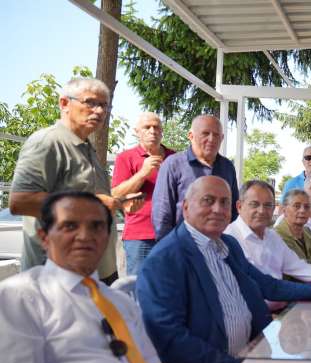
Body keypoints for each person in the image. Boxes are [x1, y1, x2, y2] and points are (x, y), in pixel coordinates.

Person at [0, 191, 235, 363]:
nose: (85, 235)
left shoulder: (118, 300)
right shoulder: (20, 296)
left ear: (107, 236)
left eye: (96, 226)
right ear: (44, 236)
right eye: (70, 226)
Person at [137, 176, 311, 363]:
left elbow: (265, 284)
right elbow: (170, 340)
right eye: (208, 201)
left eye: (224, 202)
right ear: (186, 207)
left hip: (255, 355)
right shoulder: (165, 260)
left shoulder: (227, 245)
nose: (218, 209)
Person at [9, 77, 141, 284]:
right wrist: (93, 204)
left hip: (96, 271)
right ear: (64, 103)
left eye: (104, 105)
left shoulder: (86, 148)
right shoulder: (47, 142)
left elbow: (91, 196)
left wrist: (118, 202)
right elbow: (20, 202)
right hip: (57, 277)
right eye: (90, 102)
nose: (99, 111)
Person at [224, 180, 311, 284]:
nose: (262, 211)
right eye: (254, 204)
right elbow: (267, 287)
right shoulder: (227, 239)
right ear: (239, 207)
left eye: (268, 205)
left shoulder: (272, 236)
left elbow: (299, 268)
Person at [151, 115, 239, 241]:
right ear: (191, 136)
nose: (211, 139)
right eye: (205, 133)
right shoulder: (174, 164)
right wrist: (168, 246)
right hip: (182, 244)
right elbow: (162, 213)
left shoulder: (227, 167)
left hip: (216, 244)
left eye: (216, 135)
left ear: (222, 138)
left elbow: (233, 209)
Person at [112, 112, 175, 275]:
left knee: (171, 286)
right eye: (147, 127)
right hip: (139, 236)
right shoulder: (125, 157)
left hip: (172, 234)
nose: (152, 131)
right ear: (137, 131)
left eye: (156, 127)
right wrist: (143, 173)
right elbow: (116, 194)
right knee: (138, 286)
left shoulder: (175, 158)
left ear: (162, 131)